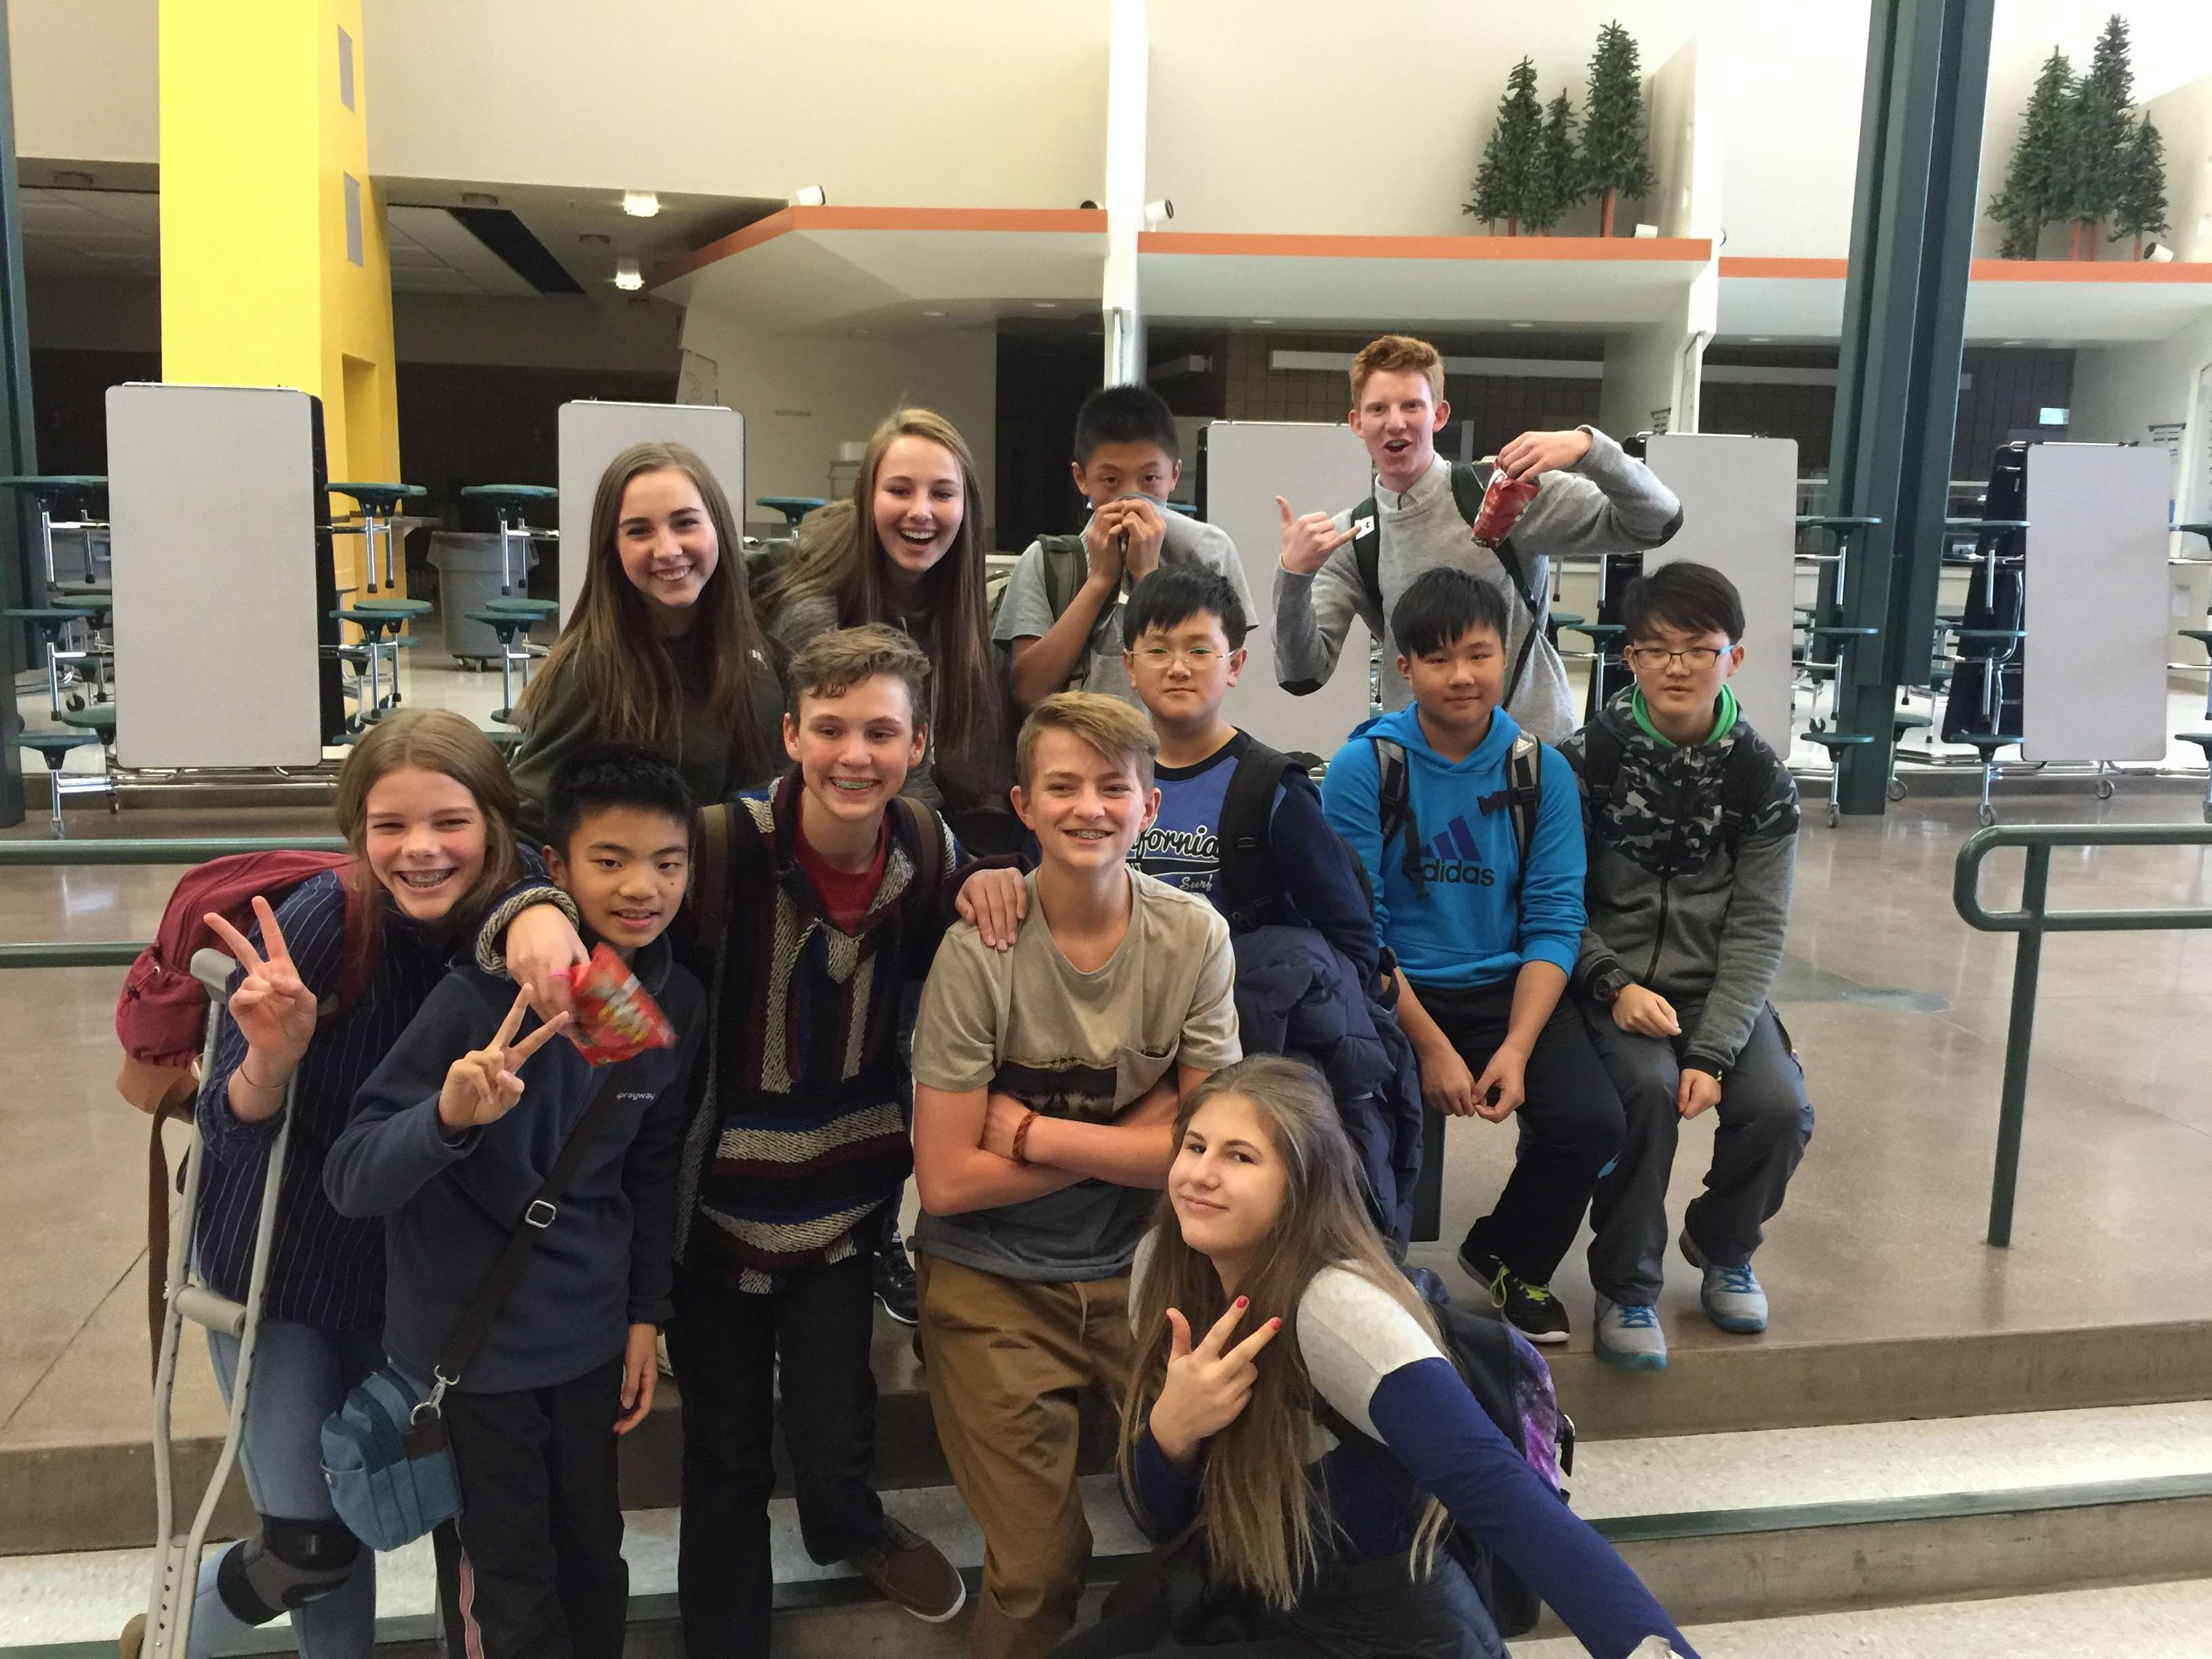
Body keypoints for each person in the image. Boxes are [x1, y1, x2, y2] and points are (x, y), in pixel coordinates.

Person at [491, 628, 1030, 1653]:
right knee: (726, 1450)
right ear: (790, 734)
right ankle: (725, 1636)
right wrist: (533, 910)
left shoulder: (926, 848)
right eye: (830, 728)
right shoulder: (717, 844)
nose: (854, 755)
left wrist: (993, 876)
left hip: (847, 1207)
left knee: (836, 1419)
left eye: (881, 733)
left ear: (918, 746)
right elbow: (608, 895)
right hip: (708, 1214)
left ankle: (846, 1524)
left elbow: (996, 903)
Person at [140, 710, 556, 1659]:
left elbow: (624, 1035)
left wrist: (551, 918)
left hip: (412, 1272)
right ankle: (168, 1640)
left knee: (422, 1509)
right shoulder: (325, 924)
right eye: (388, 825)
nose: (420, 849)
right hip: (279, 1257)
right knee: (311, 1545)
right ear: (356, 832)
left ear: (496, 824)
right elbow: (228, 1133)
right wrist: (272, 1060)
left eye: (450, 821)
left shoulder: (532, 910)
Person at [1062, 1055, 1696, 1659]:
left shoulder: (1337, 1307)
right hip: (1260, 1593)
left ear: (1300, 1184)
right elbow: (1162, 1519)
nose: (1200, 1174)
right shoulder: (1163, 1266)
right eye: (1195, 1146)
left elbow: (1501, 1493)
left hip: (1392, 1632)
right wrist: (1171, 1434)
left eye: (1240, 1156)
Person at [327, 743, 706, 1659]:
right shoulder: (478, 998)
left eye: (668, 863)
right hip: (473, 1358)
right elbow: (352, 1177)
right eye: (610, 861)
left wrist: (645, 1315)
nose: (642, 887)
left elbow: (650, 1169)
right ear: (555, 871)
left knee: (594, 1559)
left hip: (587, 1342)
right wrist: (449, 1116)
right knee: (507, 1585)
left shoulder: (672, 1001)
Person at [910, 691, 1242, 1659]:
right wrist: (1137, 1139)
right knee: (1040, 1569)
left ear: (1150, 808)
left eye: (1113, 788)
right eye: (1062, 787)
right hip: (992, 1279)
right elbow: (947, 1182)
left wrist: (1033, 1135)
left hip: (1144, 1269)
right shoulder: (978, 952)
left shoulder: (1195, 937)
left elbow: (1211, 1147)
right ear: (1023, 805)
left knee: (1226, 1518)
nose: (1088, 808)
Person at [1320, 569, 1623, 1345]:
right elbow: (1357, 929)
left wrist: (1516, 1047)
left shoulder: (1543, 772)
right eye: (1439, 659)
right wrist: (1430, 1048)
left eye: (1479, 655)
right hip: (1392, 989)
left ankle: (1512, 1256)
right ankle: (1365, 1278)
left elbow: (1554, 918)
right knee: (1359, 1124)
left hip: (1503, 987)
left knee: (1591, 1121)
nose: (1461, 675)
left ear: (1506, 655)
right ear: (1404, 668)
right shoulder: (1364, 769)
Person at [1120, 564, 1424, 1245]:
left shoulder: (1269, 787)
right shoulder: (1108, 777)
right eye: (1158, 649)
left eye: (1200, 649)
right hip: (1124, 1019)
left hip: (1243, 1031)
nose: (1179, 666)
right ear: (1129, 667)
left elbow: (1350, 934)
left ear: (1235, 665)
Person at [1559, 562, 1811, 1373]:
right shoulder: (1584, 763)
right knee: (1646, 1094)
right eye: (1657, 649)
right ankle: (1628, 1286)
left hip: (1714, 989)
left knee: (1778, 1107)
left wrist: (1714, 1048)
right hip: (1612, 985)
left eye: (1698, 649)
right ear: (1628, 658)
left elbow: (1759, 927)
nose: (1678, 666)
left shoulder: (1760, 780)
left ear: (1733, 658)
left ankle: (1723, 1244)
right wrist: (1612, 982)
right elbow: (1554, 901)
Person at [1271, 333, 1683, 743]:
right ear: (1357, 423)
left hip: (1531, 753)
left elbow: (1658, 522)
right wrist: (1294, 576)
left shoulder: (1504, 491)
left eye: (1412, 405)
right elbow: (1302, 675)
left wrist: (1589, 448)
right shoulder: (1353, 536)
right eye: (1378, 408)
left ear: (1439, 415)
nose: (1395, 422)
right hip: (1422, 760)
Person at [766, 408, 1017, 853]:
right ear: (865, 496)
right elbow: (834, 775)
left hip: (933, 840)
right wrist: (951, 865)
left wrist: (987, 865)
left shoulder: (964, 611)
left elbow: (977, 778)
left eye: (942, 493)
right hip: (844, 842)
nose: (921, 511)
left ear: (967, 506)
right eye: (900, 490)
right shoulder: (815, 616)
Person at [508, 439, 785, 839]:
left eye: (685, 523)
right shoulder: (590, 669)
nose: (668, 550)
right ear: (612, 548)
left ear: (719, 528)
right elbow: (527, 822)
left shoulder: (759, 640)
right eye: (639, 531)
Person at [996, 382, 1254, 712]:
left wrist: (1148, 577)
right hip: (1080, 741)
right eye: (1110, 481)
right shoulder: (1048, 562)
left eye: (1149, 479)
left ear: (1174, 475)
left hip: (1172, 744)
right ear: (1081, 478)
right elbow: (1029, 691)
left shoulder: (1209, 550)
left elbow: (1216, 674)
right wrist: (1100, 579)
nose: (1131, 496)